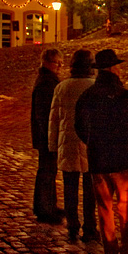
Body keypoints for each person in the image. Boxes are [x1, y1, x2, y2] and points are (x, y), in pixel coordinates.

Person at [75, 49, 128, 254]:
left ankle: (109, 253)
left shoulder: (88, 96)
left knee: (104, 208)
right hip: (124, 162)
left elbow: (79, 127)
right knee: (127, 209)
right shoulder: (124, 96)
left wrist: (93, 142)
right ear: (112, 68)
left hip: (99, 161)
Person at [48, 49, 100, 243]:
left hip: (67, 144)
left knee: (70, 189)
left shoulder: (62, 87)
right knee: (90, 191)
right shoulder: (94, 87)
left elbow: (54, 120)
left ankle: (72, 225)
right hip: (90, 145)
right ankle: (90, 227)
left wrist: (53, 146)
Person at [31, 48, 65, 223]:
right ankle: (45, 209)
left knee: (49, 171)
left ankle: (49, 205)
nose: (59, 67)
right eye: (56, 63)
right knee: (46, 171)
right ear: (46, 62)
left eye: (61, 63)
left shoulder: (48, 80)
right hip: (47, 136)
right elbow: (44, 114)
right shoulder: (46, 83)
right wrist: (50, 137)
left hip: (47, 135)